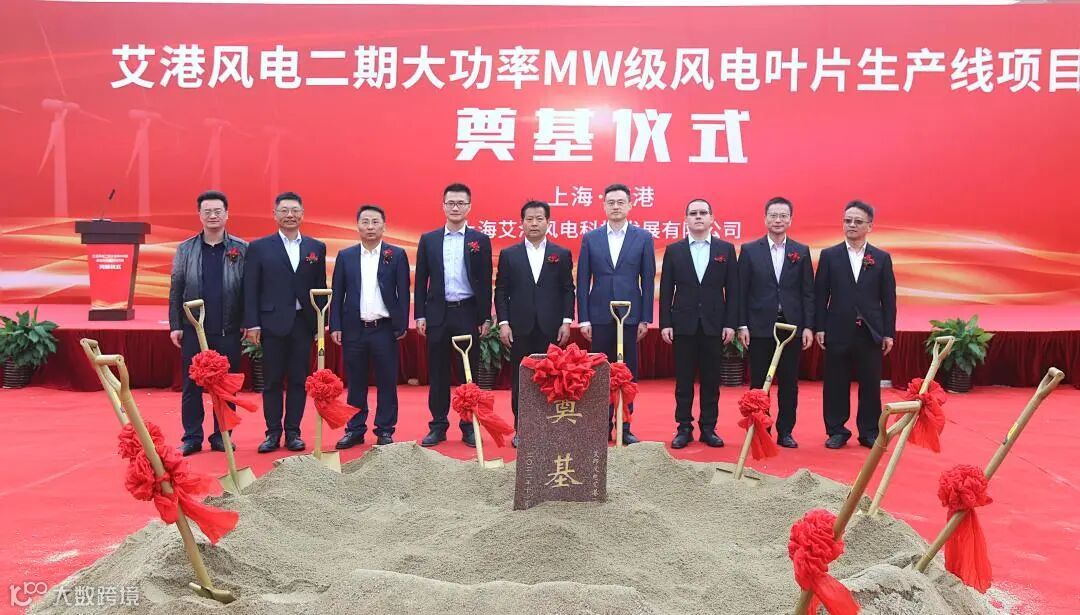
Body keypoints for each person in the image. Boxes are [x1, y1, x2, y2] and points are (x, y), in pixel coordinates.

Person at [243, 191, 327, 453]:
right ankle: (272, 433)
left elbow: (320, 288)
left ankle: (293, 432)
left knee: (299, 380)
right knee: (272, 381)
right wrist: (253, 324)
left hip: (303, 324)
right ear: (275, 214)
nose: (290, 215)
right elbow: (250, 288)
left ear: (302, 214)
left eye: (295, 210)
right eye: (284, 210)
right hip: (272, 323)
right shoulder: (259, 247)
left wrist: (320, 325)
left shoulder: (316, 247)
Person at [168, 190, 247, 456]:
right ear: (199, 215)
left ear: (227, 214)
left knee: (226, 385)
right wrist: (176, 325)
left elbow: (248, 289)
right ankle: (192, 437)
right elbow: (176, 288)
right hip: (193, 327)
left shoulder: (241, 248)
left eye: (217, 211)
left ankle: (222, 435)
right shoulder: (186, 249)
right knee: (192, 385)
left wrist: (247, 321)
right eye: (207, 211)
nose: (213, 216)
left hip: (228, 328)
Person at [414, 183, 493, 447]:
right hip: (437, 314)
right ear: (443, 206)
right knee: (437, 373)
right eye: (451, 203)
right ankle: (438, 425)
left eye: (461, 203)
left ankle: (468, 425)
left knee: (467, 372)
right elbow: (421, 280)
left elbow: (485, 281)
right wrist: (420, 314)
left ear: (469, 207)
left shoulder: (479, 240)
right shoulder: (429, 240)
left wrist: (485, 317)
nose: (455, 207)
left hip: (466, 312)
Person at [577, 183, 655, 444]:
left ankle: (625, 425)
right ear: (604, 206)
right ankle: (601, 426)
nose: (616, 207)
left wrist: (645, 318)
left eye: (621, 202)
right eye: (611, 202)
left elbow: (648, 281)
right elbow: (583, 280)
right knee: (600, 372)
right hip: (599, 315)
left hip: (630, 316)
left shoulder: (642, 238)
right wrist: (584, 318)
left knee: (627, 372)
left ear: (630, 205)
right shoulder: (591, 238)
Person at [815, 200, 897, 449]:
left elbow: (888, 299)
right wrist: (820, 327)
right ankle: (836, 430)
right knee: (835, 383)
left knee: (870, 385)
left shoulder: (881, 258)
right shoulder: (829, 256)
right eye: (847, 220)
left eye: (858, 221)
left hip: (870, 332)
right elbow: (820, 295)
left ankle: (869, 431)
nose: (851, 225)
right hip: (837, 329)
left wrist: (888, 333)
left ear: (869, 226)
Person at [659, 198, 738, 449]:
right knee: (683, 380)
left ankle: (708, 428)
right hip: (683, 324)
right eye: (693, 213)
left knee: (711, 380)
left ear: (712, 218)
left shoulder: (725, 250)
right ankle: (684, 427)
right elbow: (666, 289)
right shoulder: (674, 250)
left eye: (703, 213)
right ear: (686, 220)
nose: (698, 217)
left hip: (714, 325)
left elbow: (733, 291)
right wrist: (665, 323)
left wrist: (730, 324)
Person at [494, 200, 575, 448]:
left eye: (539, 219)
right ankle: (522, 429)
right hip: (520, 328)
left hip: (551, 327)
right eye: (529, 219)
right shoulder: (510, 255)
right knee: (522, 380)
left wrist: (566, 321)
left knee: (552, 379)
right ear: (522, 223)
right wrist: (504, 323)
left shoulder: (561, 254)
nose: (534, 223)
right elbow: (501, 291)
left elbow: (567, 290)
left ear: (548, 222)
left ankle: (550, 430)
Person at [736, 196, 815, 449]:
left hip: (791, 328)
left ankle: (786, 431)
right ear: (765, 219)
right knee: (759, 383)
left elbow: (808, 292)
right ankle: (762, 428)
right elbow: (741, 291)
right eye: (773, 215)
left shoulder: (801, 251)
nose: (778, 220)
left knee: (789, 383)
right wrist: (742, 325)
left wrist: (808, 327)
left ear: (790, 220)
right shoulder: (750, 250)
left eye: (783, 216)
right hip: (759, 326)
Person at [329, 205, 410, 448]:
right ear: (358, 226)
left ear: (384, 226)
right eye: (365, 222)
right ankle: (355, 429)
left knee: (387, 381)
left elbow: (403, 292)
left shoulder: (396, 255)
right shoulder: (346, 256)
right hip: (354, 328)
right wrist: (335, 325)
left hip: (384, 328)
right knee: (355, 382)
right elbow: (338, 293)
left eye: (375, 222)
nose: (370, 227)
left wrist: (400, 324)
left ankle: (385, 429)